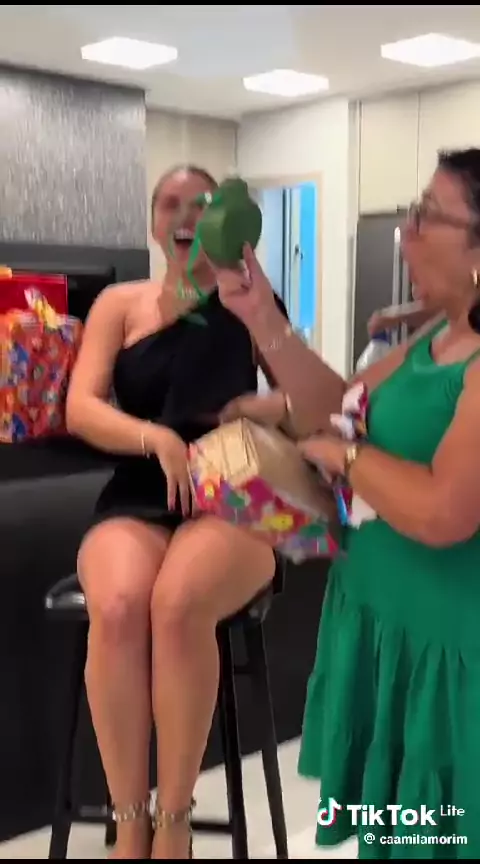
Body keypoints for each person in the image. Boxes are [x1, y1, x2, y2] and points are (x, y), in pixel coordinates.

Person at [212, 148, 480, 859]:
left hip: (449, 654)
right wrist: (262, 316)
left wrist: (349, 458)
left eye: (428, 215)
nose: (407, 230)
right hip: (386, 624)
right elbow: (338, 407)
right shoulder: (438, 334)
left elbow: (445, 510)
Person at [66, 164, 317, 860]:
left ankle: (174, 820)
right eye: (169, 204)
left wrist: (256, 406)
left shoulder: (251, 300)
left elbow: (306, 400)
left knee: (177, 604)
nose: (185, 216)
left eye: (201, 204)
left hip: (234, 494)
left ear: (222, 220)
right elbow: (81, 406)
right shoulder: (120, 303)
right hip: (141, 491)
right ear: (154, 223)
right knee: (121, 605)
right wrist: (156, 438)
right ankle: (130, 819)